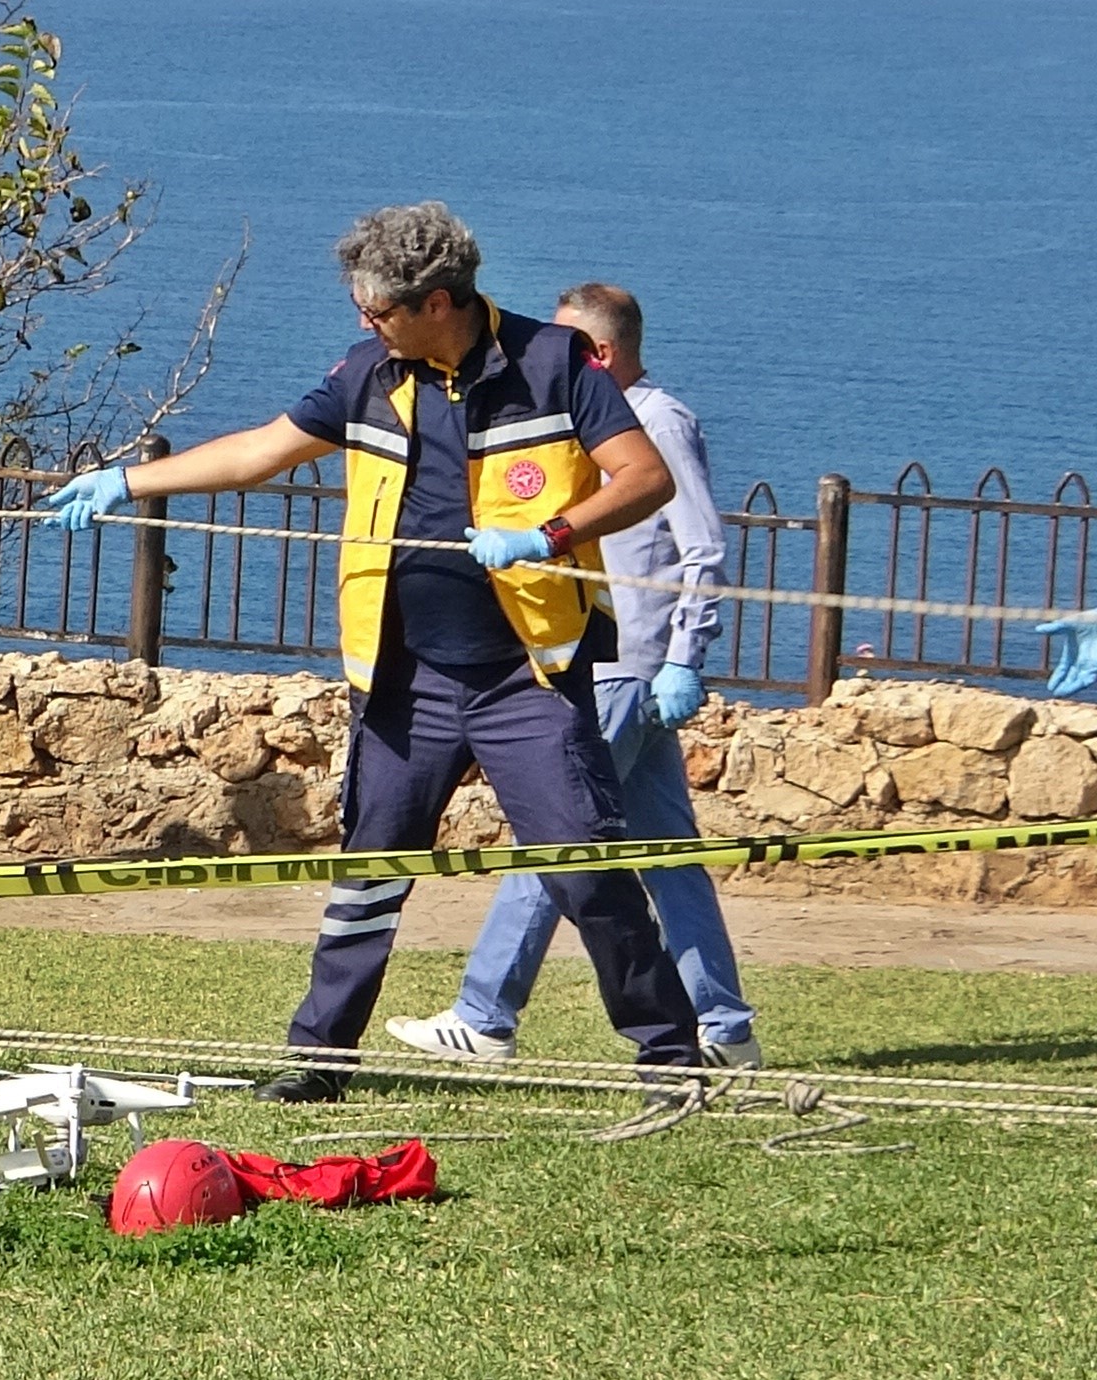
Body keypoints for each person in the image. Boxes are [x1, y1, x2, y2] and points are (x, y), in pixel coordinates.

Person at [44, 202, 707, 1098]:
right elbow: (259, 453)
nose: (366, 324)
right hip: (404, 679)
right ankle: (320, 1061)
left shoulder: (555, 363)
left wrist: (546, 536)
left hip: (529, 678)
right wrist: (128, 481)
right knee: (368, 874)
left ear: (438, 302)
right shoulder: (368, 374)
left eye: (379, 310)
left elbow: (645, 478)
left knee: (582, 867)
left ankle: (670, 1056)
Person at [389, 282, 762, 1068]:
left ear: (602, 352)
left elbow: (702, 548)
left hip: (628, 668)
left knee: (557, 837)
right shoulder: (590, 421)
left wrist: (684, 659)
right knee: (669, 856)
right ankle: (724, 1028)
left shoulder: (658, 421)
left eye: (569, 347)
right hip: (616, 662)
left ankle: (485, 1015)